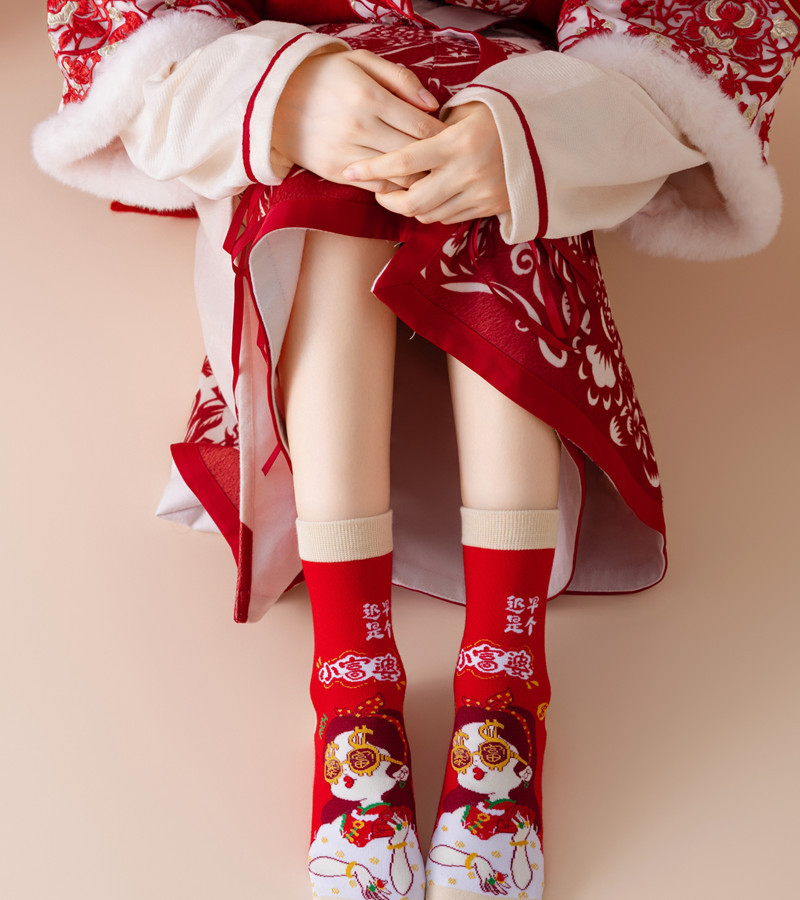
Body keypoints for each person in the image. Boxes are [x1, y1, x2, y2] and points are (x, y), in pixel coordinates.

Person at [34, 3, 800, 899]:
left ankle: (505, 671)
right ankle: (351, 675)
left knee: (500, 156)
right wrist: (275, 94)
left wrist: (544, 126)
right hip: (303, 125)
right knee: (341, 165)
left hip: (510, 84)